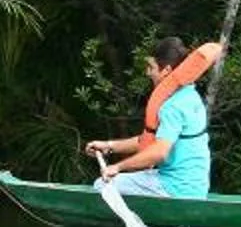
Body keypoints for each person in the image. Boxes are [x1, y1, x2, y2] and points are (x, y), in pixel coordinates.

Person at [86, 35, 216, 198]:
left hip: (176, 188)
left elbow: (159, 152)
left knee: (102, 185)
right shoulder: (190, 95)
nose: (148, 72)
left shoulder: (172, 106)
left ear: (166, 70)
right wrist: (109, 146)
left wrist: (117, 167)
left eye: (151, 67)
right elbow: (149, 140)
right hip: (195, 186)